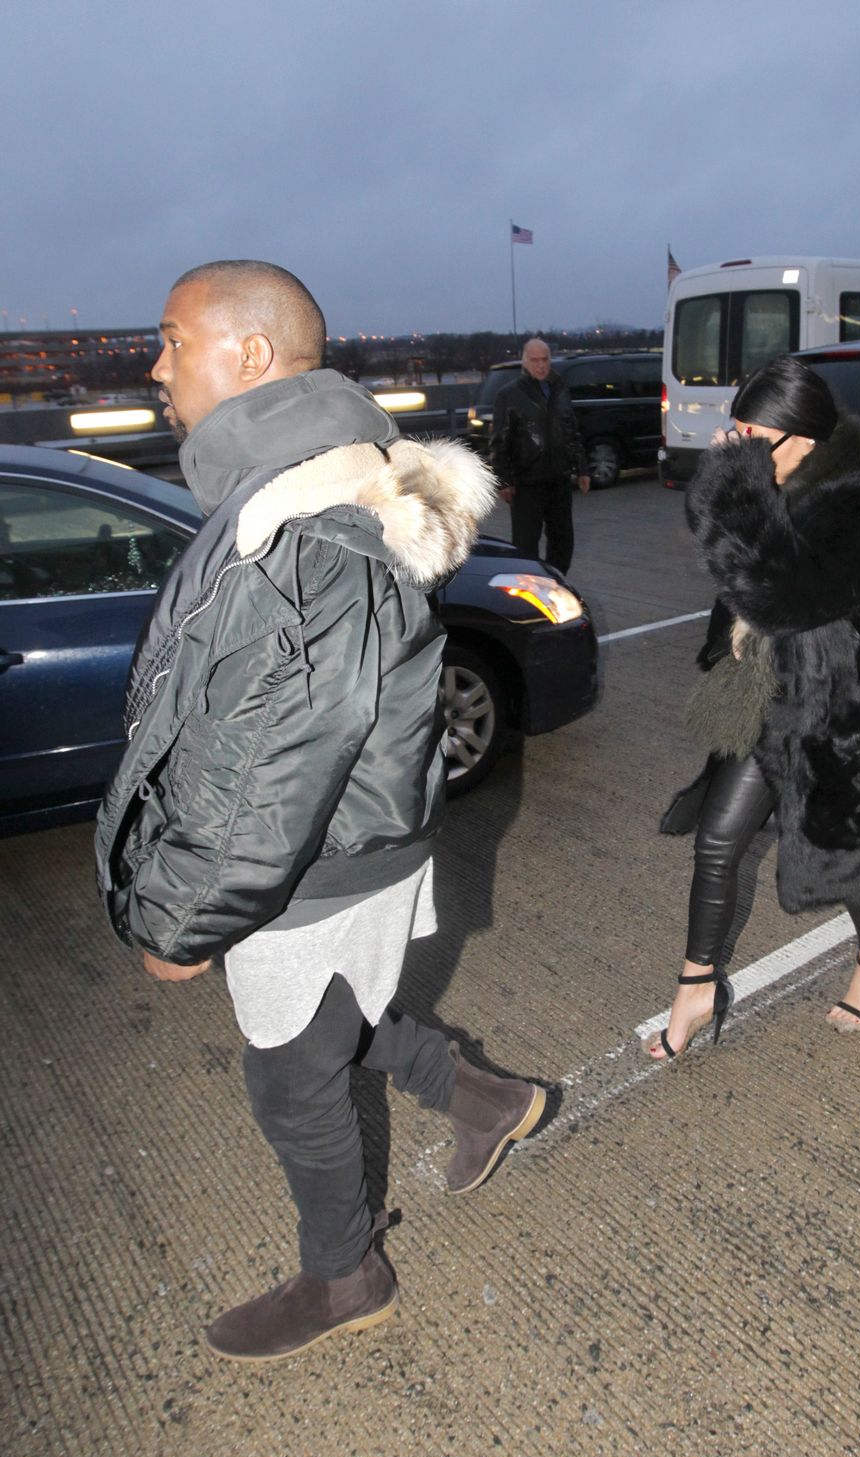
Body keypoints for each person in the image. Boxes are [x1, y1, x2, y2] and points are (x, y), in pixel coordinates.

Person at [94, 260, 546, 1362]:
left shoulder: (305, 533)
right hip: (349, 845)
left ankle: (346, 1276)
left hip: (314, 859)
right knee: (328, 1021)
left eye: (168, 340)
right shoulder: (308, 488)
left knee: (291, 1078)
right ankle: (480, 1094)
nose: (153, 368)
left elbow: (269, 768)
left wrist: (179, 920)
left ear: (248, 357)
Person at [652, 354, 860, 1061]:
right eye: (735, 436)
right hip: (763, 702)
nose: (739, 451)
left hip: (839, 720)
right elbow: (731, 565)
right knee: (719, 841)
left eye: (754, 438)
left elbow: (785, 592)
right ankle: (695, 986)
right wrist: (735, 484)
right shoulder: (772, 478)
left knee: (848, 867)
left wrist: (736, 490)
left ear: (802, 440)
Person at [490, 337, 590, 573]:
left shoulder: (560, 389)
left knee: (563, 539)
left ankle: (556, 583)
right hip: (526, 482)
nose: (541, 365)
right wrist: (503, 480)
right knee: (525, 543)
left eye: (544, 359)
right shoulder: (510, 394)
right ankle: (530, 588)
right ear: (525, 362)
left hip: (559, 478)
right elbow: (499, 440)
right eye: (535, 360)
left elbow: (571, 431)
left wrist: (582, 468)